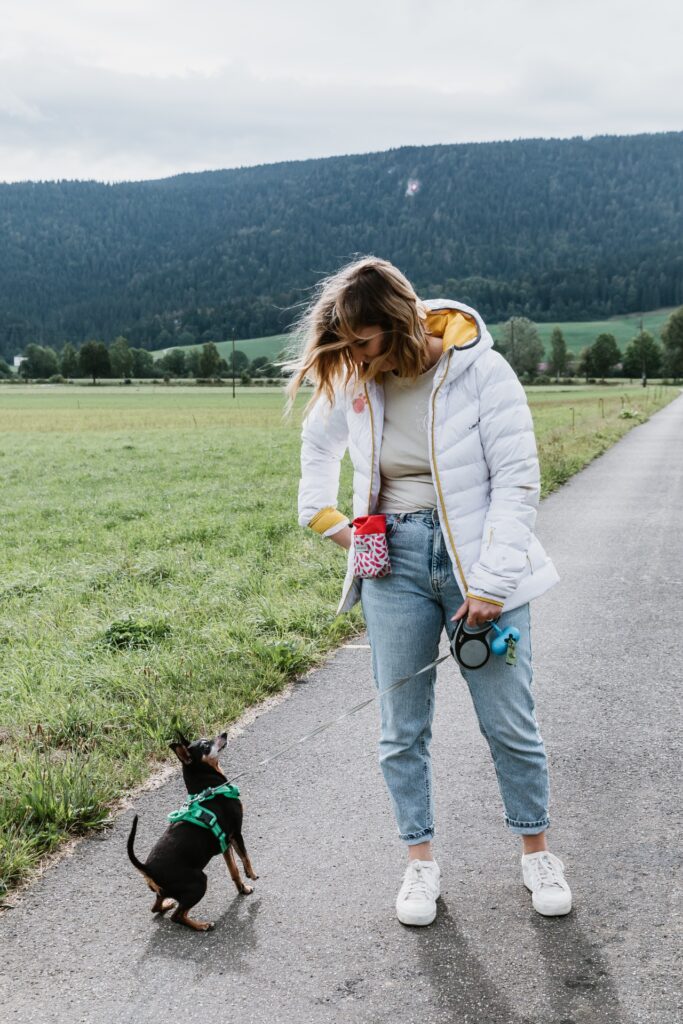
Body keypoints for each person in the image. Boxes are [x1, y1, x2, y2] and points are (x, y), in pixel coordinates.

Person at [286, 256, 572, 926]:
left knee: (510, 723)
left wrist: (493, 584)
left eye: (363, 342)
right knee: (400, 728)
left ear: (398, 323)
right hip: (393, 566)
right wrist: (341, 530)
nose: (355, 357)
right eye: (345, 346)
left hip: (481, 565)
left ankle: (537, 854)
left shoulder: (481, 372)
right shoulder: (356, 378)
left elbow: (517, 480)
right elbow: (316, 461)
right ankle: (419, 864)